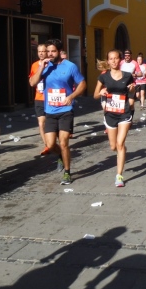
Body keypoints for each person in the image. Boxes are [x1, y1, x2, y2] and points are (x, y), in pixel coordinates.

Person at [29, 38, 86, 185]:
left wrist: (72, 96)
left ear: (60, 52)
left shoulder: (70, 66)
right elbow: (32, 83)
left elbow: (82, 84)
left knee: (64, 141)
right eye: (48, 51)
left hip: (66, 110)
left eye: (53, 51)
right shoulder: (44, 66)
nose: (49, 54)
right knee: (50, 145)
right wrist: (41, 68)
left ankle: (67, 172)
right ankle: (61, 155)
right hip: (50, 111)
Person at [93, 49, 136, 187]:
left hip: (124, 112)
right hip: (110, 113)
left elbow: (132, 92)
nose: (113, 61)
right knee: (113, 146)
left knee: (120, 143)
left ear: (120, 59)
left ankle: (119, 176)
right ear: (108, 61)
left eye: (116, 58)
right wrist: (101, 92)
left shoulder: (127, 76)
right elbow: (95, 95)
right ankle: (121, 151)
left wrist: (132, 91)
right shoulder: (103, 77)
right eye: (111, 58)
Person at [30, 44, 50, 155]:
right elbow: (32, 80)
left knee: (51, 123)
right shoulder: (34, 65)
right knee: (41, 123)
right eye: (39, 51)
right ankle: (47, 145)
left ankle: (53, 142)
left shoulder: (52, 64)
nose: (41, 53)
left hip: (50, 98)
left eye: (43, 51)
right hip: (39, 98)